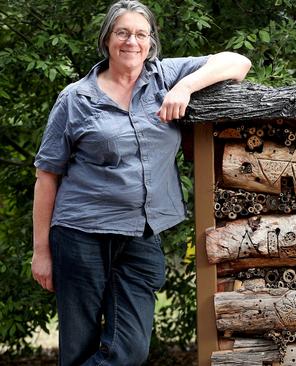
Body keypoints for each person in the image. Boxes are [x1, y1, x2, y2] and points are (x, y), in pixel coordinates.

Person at [30, 1, 251, 364]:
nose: (131, 41)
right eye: (122, 32)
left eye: (140, 34)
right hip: (80, 234)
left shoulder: (165, 77)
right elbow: (46, 175)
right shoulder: (75, 99)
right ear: (107, 40)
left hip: (141, 236)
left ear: (150, 43)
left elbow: (238, 62)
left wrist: (186, 88)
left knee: (130, 350)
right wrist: (42, 252)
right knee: (78, 347)